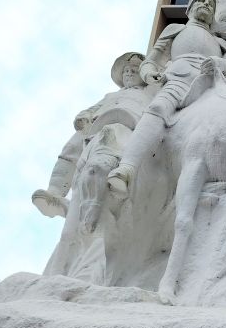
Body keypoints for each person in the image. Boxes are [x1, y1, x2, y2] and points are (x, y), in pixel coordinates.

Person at [107, 0, 226, 197]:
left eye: (210, 4)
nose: (206, 5)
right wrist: (149, 73)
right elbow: (151, 61)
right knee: (156, 108)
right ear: (189, 9)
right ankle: (127, 168)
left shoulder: (220, 42)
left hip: (211, 84)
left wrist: (220, 62)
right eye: (202, 1)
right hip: (178, 79)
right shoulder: (174, 29)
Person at [32, 51, 150, 218]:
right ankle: (55, 192)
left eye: (134, 69)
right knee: (71, 148)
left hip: (127, 124)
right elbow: (92, 109)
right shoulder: (111, 95)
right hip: (96, 125)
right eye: (126, 71)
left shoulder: (148, 93)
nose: (129, 73)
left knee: (106, 158)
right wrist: (84, 116)